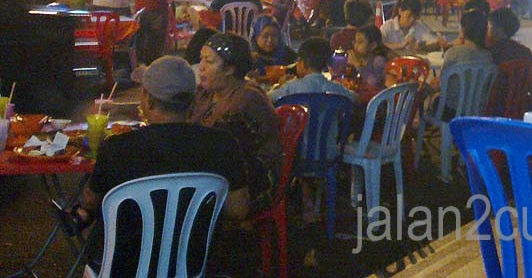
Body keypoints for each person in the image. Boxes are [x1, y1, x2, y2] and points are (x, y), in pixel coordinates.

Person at [72, 56, 249, 278]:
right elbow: (238, 210)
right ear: (192, 102)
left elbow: (91, 202)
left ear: (148, 100)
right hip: (191, 268)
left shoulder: (118, 148)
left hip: (121, 270)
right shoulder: (223, 144)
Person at [189, 32, 281, 211]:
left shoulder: (245, 99)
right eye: (201, 59)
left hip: (251, 183)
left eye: (209, 61)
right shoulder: (208, 92)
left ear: (230, 68)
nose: (201, 67)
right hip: (218, 173)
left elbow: (221, 152)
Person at [269, 37, 355, 225]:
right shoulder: (336, 90)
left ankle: (299, 205)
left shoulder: (291, 88)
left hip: (294, 155)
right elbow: (353, 99)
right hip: (328, 155)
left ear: (302, 62)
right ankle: (313, 202)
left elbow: (269, 100)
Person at [435, 9, 493, 115]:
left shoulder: (454, 53)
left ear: (463, 30)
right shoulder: (489, 56)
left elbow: (442, 82)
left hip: (452, 109)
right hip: (478, 110)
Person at [380, 0, 445, 53]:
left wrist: (422, 48)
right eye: (409, 16)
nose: (412, 20)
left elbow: (437, 43)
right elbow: (378, 47)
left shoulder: (419, 26)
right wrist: (401, 45)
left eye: (415, 17)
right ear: (400, 11)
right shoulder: (388, 27)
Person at [347, 24, 389, 91]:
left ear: (373, 46)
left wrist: (357, 65)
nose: (356, 45)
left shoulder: (379, 60)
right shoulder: (360, 58)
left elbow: (374, 82)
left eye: (360, 42)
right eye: (355, 41)